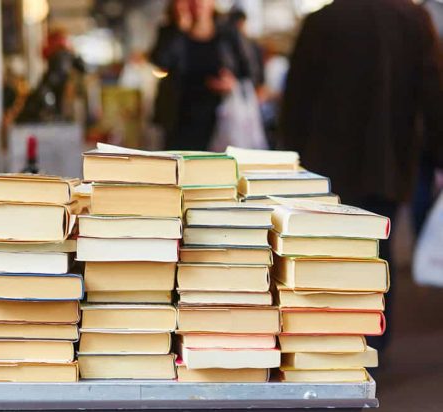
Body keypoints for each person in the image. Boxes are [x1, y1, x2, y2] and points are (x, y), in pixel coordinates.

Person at [279, 0, 443, 350]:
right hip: (390, 161)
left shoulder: (323, 21)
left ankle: (331, 341)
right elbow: (434, 96)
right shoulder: (415, 20)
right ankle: (372, 343)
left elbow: (296, 101)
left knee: (328, 253)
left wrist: (288, 161)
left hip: (327, 164)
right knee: (379, 249)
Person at [150, 1, 262, 151]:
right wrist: (180, 30)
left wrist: (232, 83)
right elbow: (160, 62)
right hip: (179, 117)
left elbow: (252, 72)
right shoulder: (170, 31)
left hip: (220, 117)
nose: (197, 2)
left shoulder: (228, 32)